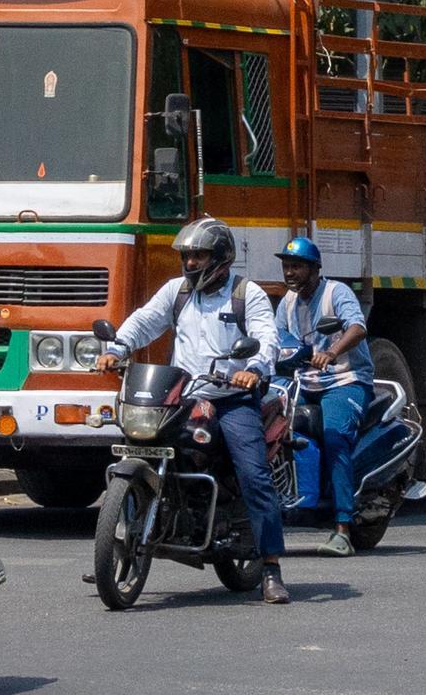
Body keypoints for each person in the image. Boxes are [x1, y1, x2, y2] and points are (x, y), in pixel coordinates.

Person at [101, 217, 291, 606]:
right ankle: (117, 548)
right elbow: (145, 321)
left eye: (198, 255)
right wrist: (117, 348)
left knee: (253, 475)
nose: (189, 263)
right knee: (137, 443)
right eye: (186, 256)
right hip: (184, 396)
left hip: (232, 399)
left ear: (221, 258)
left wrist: (253, 370)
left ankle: (270, 567)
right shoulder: (177, 292)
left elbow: (265, 337)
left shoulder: (246, 294)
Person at [269, 234, 377, 520]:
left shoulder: (336, 293)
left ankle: (343, 522)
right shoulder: (287, 302)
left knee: (334, 437)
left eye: (298, 266)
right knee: (262, 420)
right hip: (303, 382)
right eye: (287, 266)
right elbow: (277, 340)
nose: (290, 272)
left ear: (315, 269)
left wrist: (331, 353)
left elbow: (357, 328)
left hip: (345, 380)